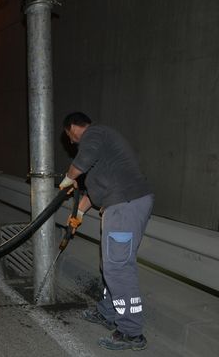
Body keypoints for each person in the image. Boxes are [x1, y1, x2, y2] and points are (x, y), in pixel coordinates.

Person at [59, 112, 154, 351]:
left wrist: (69, 178)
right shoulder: (105, 150)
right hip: (122, 204)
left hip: (124, 205)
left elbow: (81, 162)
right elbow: (93, 194)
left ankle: (131, 332)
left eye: (69, 137)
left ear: (72, 128)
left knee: (118, 266)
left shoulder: (95, 134)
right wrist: (78, 215)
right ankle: (108, 312)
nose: (71, 142)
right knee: (111, 264)